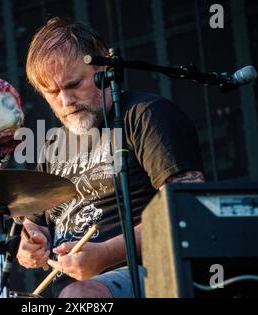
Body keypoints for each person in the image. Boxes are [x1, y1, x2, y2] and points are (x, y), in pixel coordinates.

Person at [16, 17, 205, 298]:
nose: (66, 101)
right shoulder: (52, 145)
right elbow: (35, 222)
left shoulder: (145, 115)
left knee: (79, 298)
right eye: (52, 92)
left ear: (104, 65)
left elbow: (185, 208)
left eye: (74, 84)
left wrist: (104, 254)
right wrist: (31, 243)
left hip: (150, 272)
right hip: (71, 289)